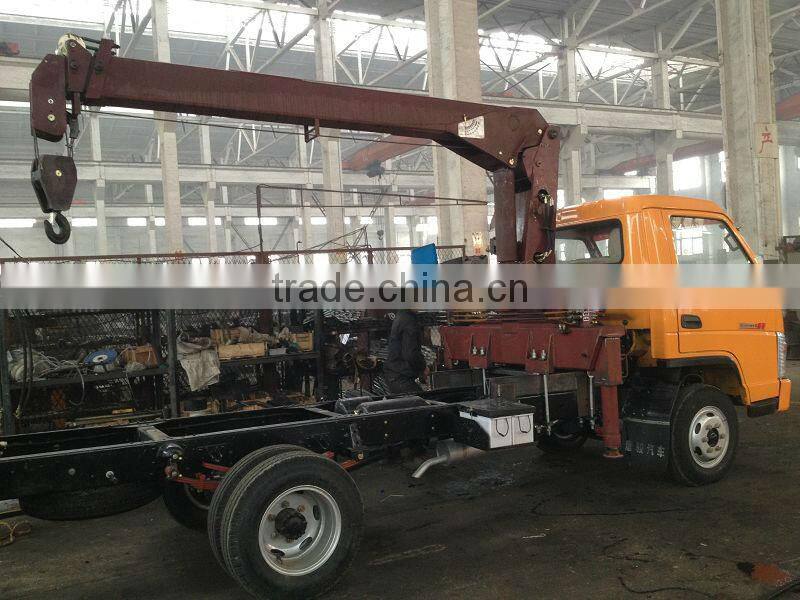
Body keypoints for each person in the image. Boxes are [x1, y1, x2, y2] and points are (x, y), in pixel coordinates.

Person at [383, 310, 428, 394]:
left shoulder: (401, 315)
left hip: (395, 374)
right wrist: (423, 367)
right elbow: (411, 353)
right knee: (422, 400)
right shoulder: (409, 320)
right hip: (401, 376)